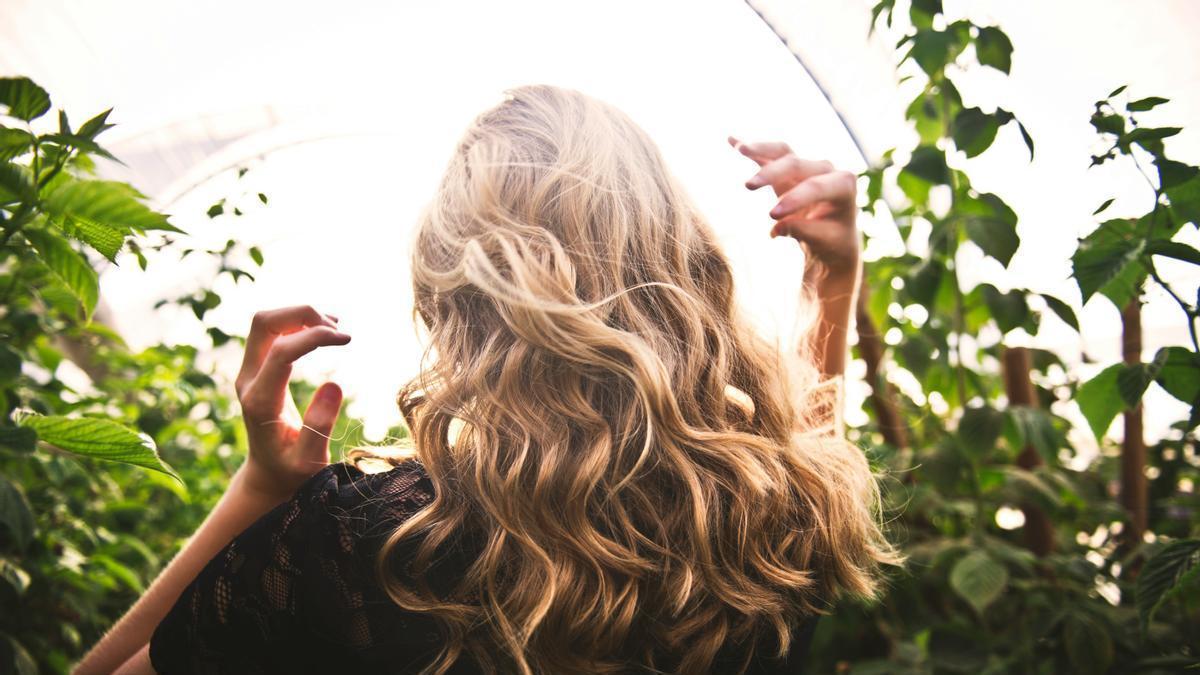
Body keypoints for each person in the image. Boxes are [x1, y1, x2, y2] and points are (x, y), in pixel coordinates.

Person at [76, 84, 901, 675]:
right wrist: (832, 279)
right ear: (679, 261)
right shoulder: (762, 512)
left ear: (450, 297)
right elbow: (802, 445)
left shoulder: (371, 547)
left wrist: (260, 489)